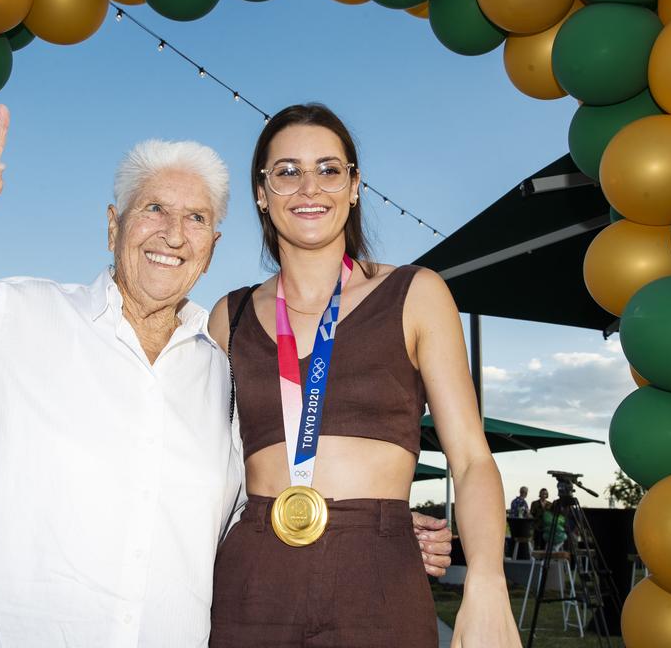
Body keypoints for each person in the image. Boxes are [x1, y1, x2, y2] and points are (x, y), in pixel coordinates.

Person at [0, 106, 451, 647]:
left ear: (214, 245)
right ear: (112, 225)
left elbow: (256, 501)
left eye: (196, 219)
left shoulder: (222, 368)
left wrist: (372, 527)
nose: (173, 233)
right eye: (154, 208)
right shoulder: (15, 316)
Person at [208, 103, 520, 647]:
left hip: (379, 572)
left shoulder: (416, 293)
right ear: (261, 193)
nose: (310, 187)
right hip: (253, 570)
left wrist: (488, 583)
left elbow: (471, 458)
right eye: (287, 171)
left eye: (330, 170)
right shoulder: (226, 316)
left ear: (354, 187)